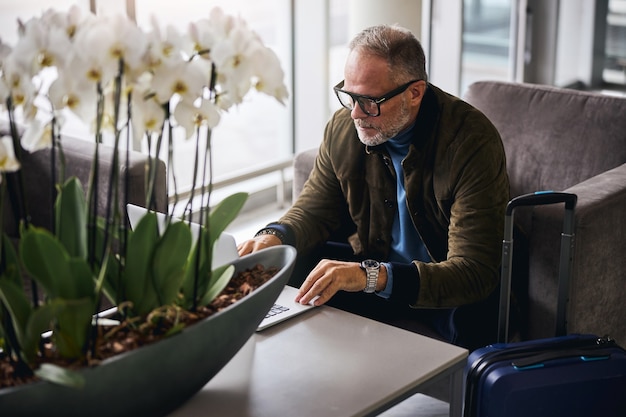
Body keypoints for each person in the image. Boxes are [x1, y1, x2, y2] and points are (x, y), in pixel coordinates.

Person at [237, 24, 510, 350]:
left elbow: (474, 271)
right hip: (373, 265)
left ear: (415, 92)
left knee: (476, 315)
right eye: (349, 95)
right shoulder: (343, 128)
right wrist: (275, 236)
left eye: (369, 101)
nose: (355, 113)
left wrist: (371, 276)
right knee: (292, 263)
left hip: (442, 286)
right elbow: (314, 210)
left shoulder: (470, 141)